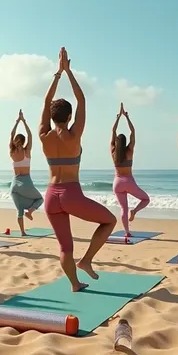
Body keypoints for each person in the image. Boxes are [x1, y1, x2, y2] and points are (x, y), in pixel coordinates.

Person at [40, 47, 116, 291]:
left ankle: (74, 284)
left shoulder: (44, 135)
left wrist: (57, 75)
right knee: (109, 221)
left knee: (64, 247)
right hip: (71, 194)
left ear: (51, 117)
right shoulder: (74, 135)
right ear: (70, 115)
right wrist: (69, 72)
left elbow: (45, 102)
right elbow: (82, 99)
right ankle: (86, 260)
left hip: (51, 196)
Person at [111, 103, 150, 236]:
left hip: (117, 183)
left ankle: (127, 232)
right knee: (146, 199)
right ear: (125, 141)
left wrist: (117, 118)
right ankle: (134, 211)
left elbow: (113, 131)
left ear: (116, 142)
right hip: (129, 181)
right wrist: (126, 117)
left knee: (123, 208)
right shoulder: (129, 151)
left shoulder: (113, 152)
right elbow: (133, 132)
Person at [9, 109, 43, 235]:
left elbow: (11, 134)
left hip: (14, 184)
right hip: (26, 182)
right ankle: (30, 211)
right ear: (24, 142)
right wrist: (24, 121)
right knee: (40, 199)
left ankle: (23, 232)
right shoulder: (27, 151)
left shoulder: (12, 152)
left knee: (19, 211)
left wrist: (17, 122)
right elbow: (31, 135)